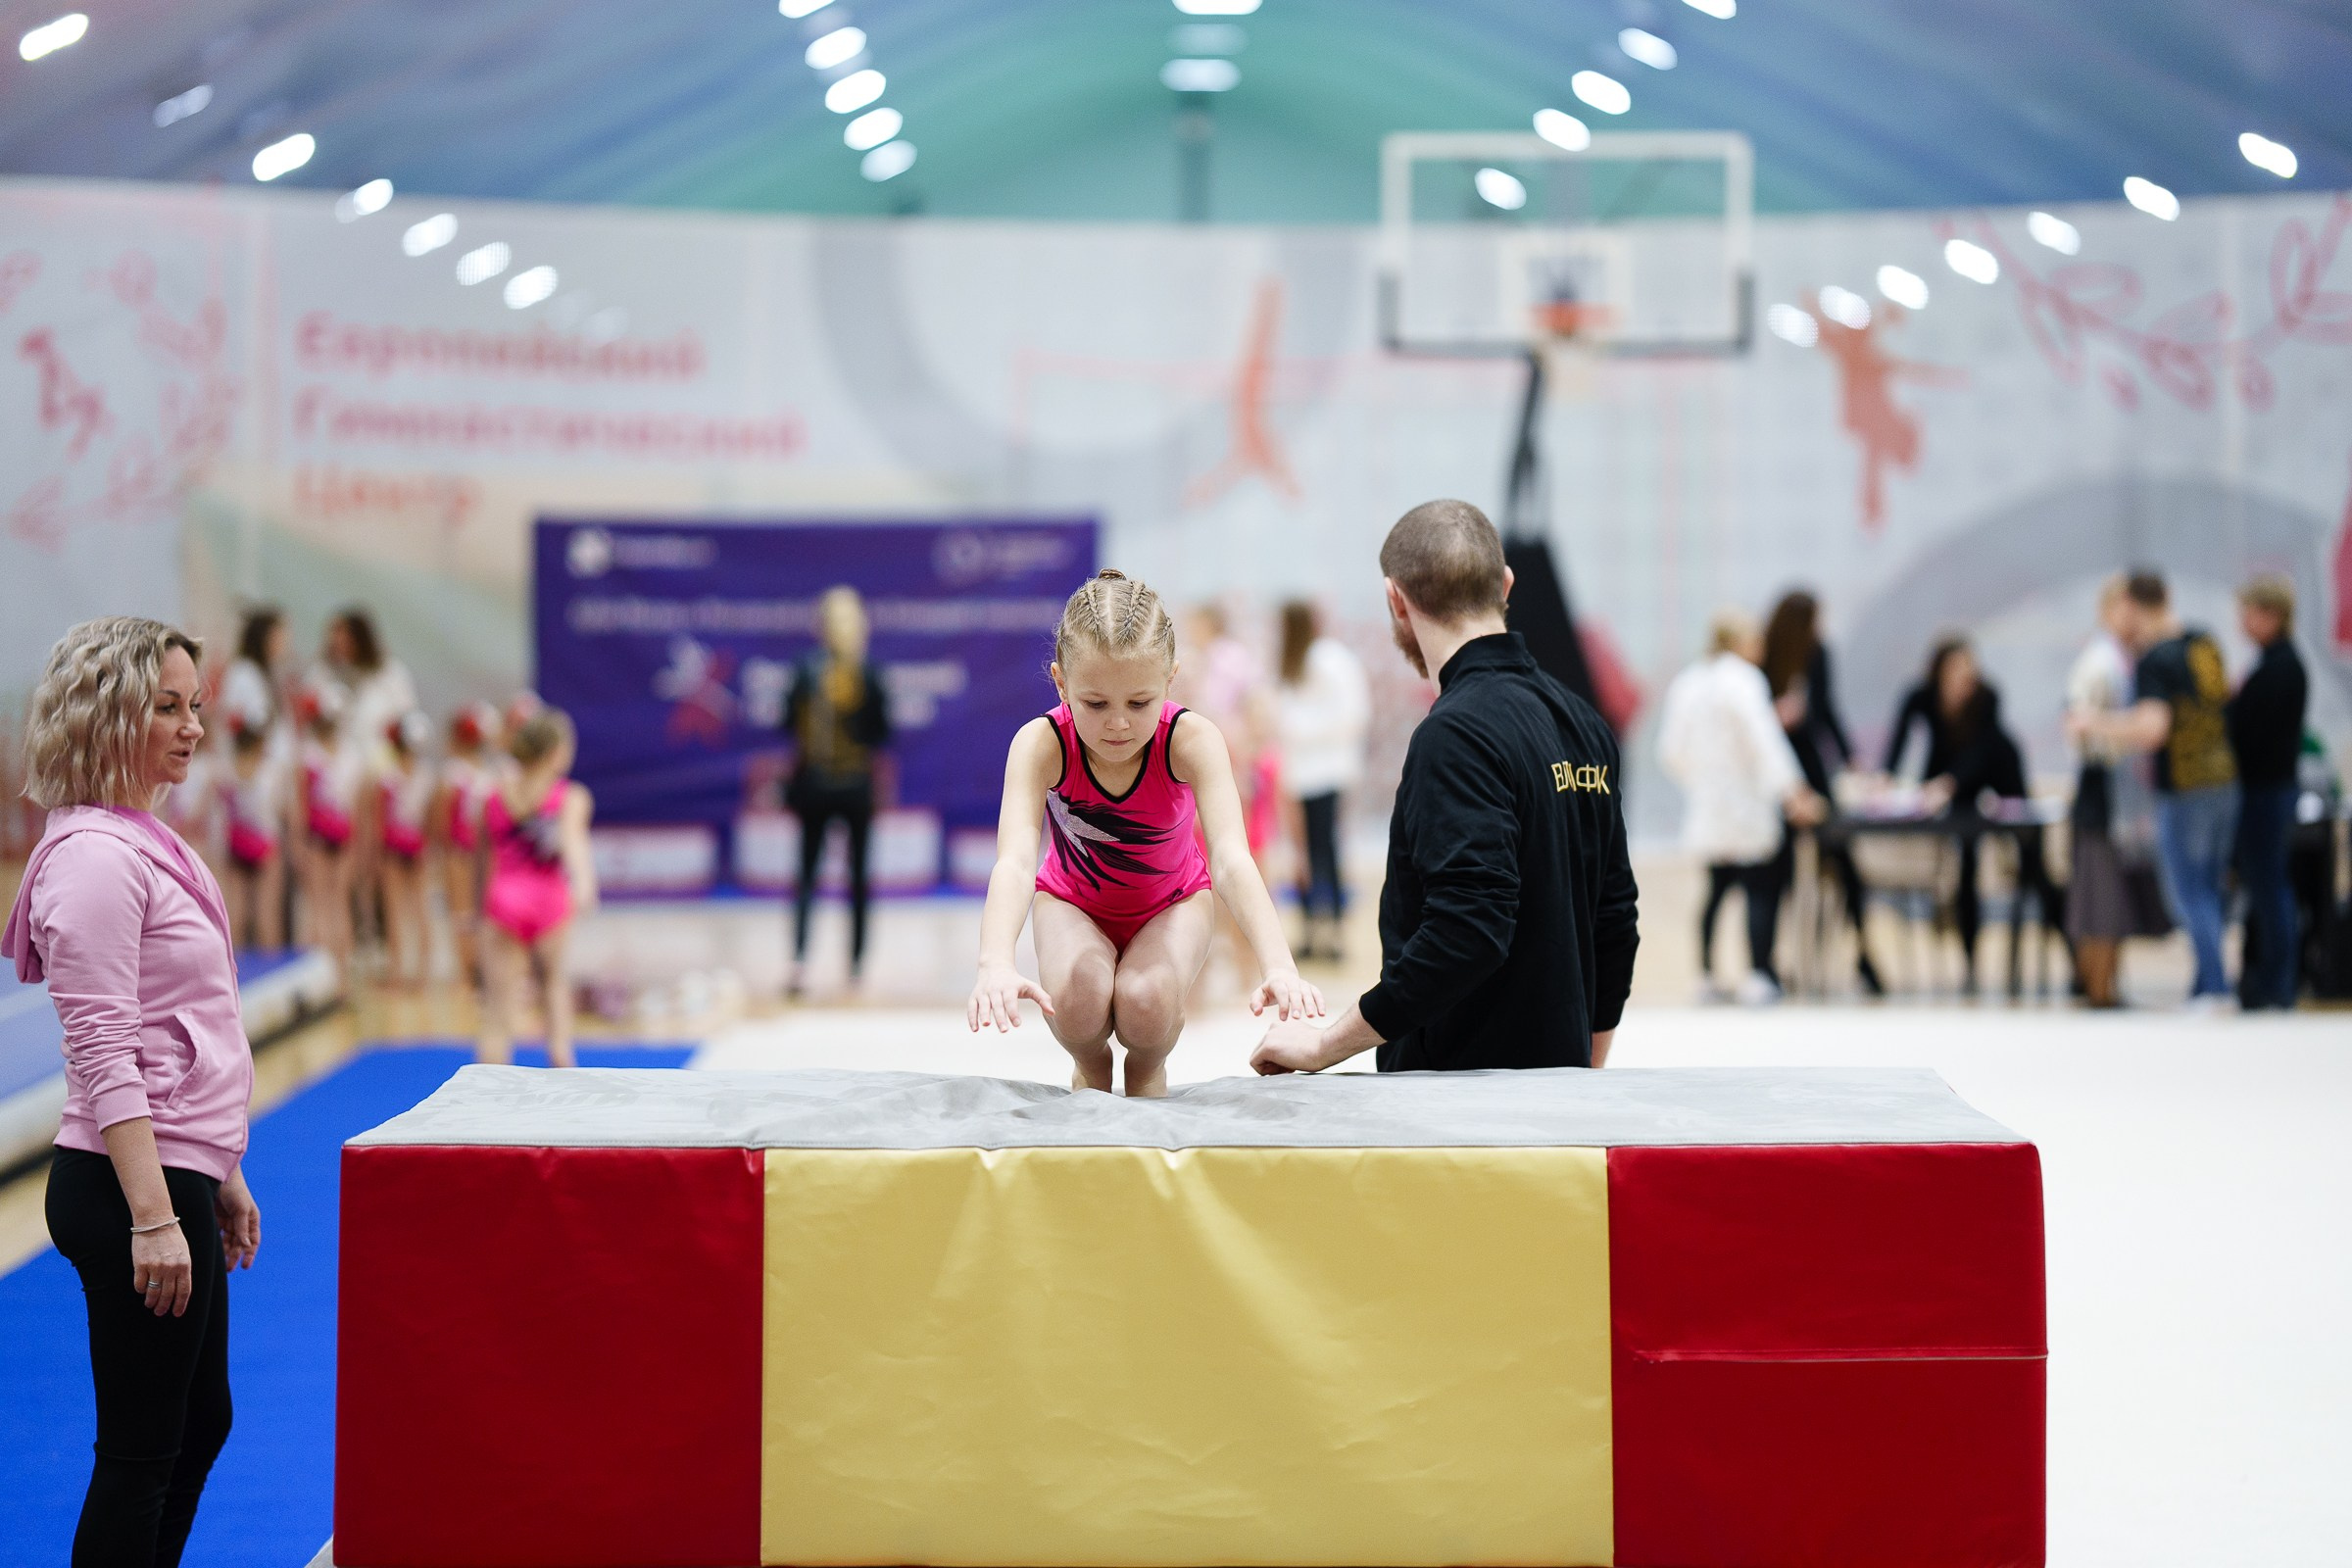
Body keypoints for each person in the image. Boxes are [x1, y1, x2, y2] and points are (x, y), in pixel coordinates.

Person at [2, 616, 261, 1567]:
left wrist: (220, 1169)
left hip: (173, 1168)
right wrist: (155, 1215)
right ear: (109, 716)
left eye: (196, 706)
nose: (191, 726)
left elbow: (186, 1021)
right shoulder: (95, 859)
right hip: (124, 1183)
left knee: (199, 1423)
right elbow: (106, 1048)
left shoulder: (145, 837)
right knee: (144, 1447)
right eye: (166, 708)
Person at [1250, 500, 1639, 1076]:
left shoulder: (1455, 734)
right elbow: (1616, 923)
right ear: (1505, 584)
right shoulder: (1582, 722)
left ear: (1396, 600)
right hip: (1557, 1097)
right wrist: (1584, 1068)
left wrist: (1324, 1047)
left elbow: (1468, 930)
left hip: (1458, 1108)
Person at [967, 569, 1321, 1097]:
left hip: (1173, 902)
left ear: (1170, 681)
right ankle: (1091, 1065)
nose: (1117, 724)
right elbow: (1015, 862)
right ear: (1061, 682)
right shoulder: (1041, 744)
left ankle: (1146, 1068)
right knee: (1082, 996)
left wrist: (1279, 964)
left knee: (1146, 1001)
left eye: (1138, 704)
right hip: (1071, 902)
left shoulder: (1192, 740)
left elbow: (1231, 859)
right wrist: (994, 961)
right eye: (1095, 704)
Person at [2072, 570, 2240, 1006]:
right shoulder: (2203, 642)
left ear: (2129, 604)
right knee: (2209, 887)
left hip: (2184, 785)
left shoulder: (2156, 659)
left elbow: (2152, 729)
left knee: (2187, 891)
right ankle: (2208, 980)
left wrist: (2096, 722)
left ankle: (2215, 986)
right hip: (2224, 778)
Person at [1659, 612, 1824, 1004]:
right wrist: (1794, 792)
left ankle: (1705, 975)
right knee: (1760, 888)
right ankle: (1758, 973)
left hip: (1710, 806)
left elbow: (1670, 750)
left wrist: (1702, 781)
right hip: (1748, 805)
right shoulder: (1745, 680)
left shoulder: (1688, 682)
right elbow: (1765, 742)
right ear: (1740, 641)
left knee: (1716, 889)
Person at [1885, 635, 2055, 993]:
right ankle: (1969, 962)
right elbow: (1899, 743)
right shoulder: (1922, 696)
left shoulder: (1986, 696)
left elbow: (1985, 749)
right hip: (1950, 784)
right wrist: (1887, 779)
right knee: (1964, 866)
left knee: (2033, 864)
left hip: (1994, 776)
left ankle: (2065, 952)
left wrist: (1948, 784)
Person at [1760, 590, 1883, 995]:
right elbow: (1757, 720)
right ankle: (1772, 965)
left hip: (1812, 770)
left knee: (1843, 863)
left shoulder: (1819, 653)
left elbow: (1827, 710)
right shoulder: (1765, 656)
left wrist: (1850, 759)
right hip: (1778, 773)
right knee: (1779, 873)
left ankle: (1864, 957)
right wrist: (1780, 716)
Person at [782, 587, 893, 997]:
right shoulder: (810, 670)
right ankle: (809, 963)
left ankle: (848, 965)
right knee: (817, 874)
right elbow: (787, 721)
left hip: (846, 782)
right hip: (823, 782)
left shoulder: (865, 672)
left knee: (849, 877)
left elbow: (882, 730)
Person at [477, 709, 598, 1067]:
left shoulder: (494, 796)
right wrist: (586, 885)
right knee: (554, 989)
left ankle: (483, 1101)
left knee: (498, 1013)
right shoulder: (571, 797)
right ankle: (561, 1063)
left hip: (504, 898)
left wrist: (475, 908)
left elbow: (482, 860)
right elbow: (573, 843)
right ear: (556, 752)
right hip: (548, 898)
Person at [2064, 575, 2149, 1007]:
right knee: (2100, 896)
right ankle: (2097, 987)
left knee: (2112, 896)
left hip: (2121, 788)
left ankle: (2107, 985)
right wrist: (2120, 736)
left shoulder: (2126, 659)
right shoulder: (2102, 662)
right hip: (2103, 786)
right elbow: (2079, 725)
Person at [1273, 599, 1371, 961]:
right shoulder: (1294, 660)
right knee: (1301, 856)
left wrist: (1296, 729)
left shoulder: (1332, 660)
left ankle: (1335, 934)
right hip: (1296, 776)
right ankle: (1311, 931)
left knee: (1326, 852)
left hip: (1327, 774)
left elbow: (1352, 715)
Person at [2229, 574, 2309, 1010]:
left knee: (2270, 886)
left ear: (2271, 615)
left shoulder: (2282, 667)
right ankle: (2264, 979)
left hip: (2268, 792)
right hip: (2265, 790)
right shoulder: (2270, 662)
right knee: (2264, 888)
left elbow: (2253, 733)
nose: (2242, 622)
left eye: (2248, 613)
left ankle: (2278, 984)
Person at [294, 686, 361, 977]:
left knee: (320, 904)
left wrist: (298, 841)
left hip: (319, 834)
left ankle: (325, 977)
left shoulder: (308, 755)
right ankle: (342, 973)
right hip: (341, 833)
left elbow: (300, 804)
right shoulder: (350, 756)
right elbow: (356, 808)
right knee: (339, 903)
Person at [432, 704, 500, 988]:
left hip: (460, 852)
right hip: (485, 852)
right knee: (481, 913)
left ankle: (466, 973)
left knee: (461, 913)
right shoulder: (490, 775)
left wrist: (442, 849)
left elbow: (440, 819)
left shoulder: (451, 774)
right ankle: (481, 970)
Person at [218, 717, 290, 952]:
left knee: (235, 916)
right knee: (267, 916)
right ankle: (273, 977)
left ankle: (236, 980)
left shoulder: (225, 771)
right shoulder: (272, 773)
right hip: (265, 844)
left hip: (237, 844)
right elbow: (281, 811)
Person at [376, 712, 435, 991]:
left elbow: (380, 818)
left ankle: (400, 972)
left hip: (396, 846)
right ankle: (422, 971)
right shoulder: (426, 776)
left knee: (398, 911)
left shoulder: (388, 777)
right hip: (416, 844)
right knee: (419, 909)